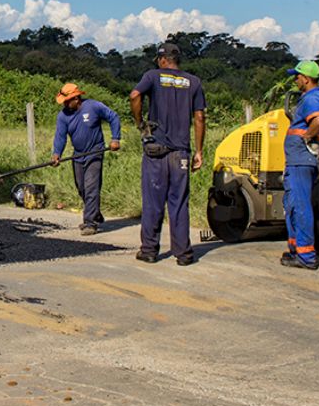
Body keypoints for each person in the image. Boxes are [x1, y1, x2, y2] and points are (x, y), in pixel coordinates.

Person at [129, 42, 206, 266]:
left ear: (162, 59)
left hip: (156, 150)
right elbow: (199, 117)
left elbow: (135, 95)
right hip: (181, 152)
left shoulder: (153, 76)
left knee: (153, 201)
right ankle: (183, 254)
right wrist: (199, 151)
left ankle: (150, 250)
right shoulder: (193, 81)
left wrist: (140, 123)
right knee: (179, 202)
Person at [282, 60, 319, 271]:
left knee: (300, 204)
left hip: (301, 158)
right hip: (307, 159)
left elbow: (318, 120)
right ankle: (296, 249)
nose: (295, 80)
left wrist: (307, 136)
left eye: (297, 77)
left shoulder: (311, 98)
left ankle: (306, 256)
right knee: (294, 203)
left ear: (305, 78)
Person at [51, 83, 122, 235]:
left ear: (76, 98)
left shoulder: (93, 106)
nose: (64, 103)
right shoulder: (63, 116)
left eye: (67, 100)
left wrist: (115, 139)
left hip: (95, 151)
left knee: (91, 187)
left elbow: (113, 117)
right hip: (78, 154)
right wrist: (57, 153)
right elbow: (60, 136)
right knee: (81, 187)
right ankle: (95, 213)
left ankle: (90, 223)